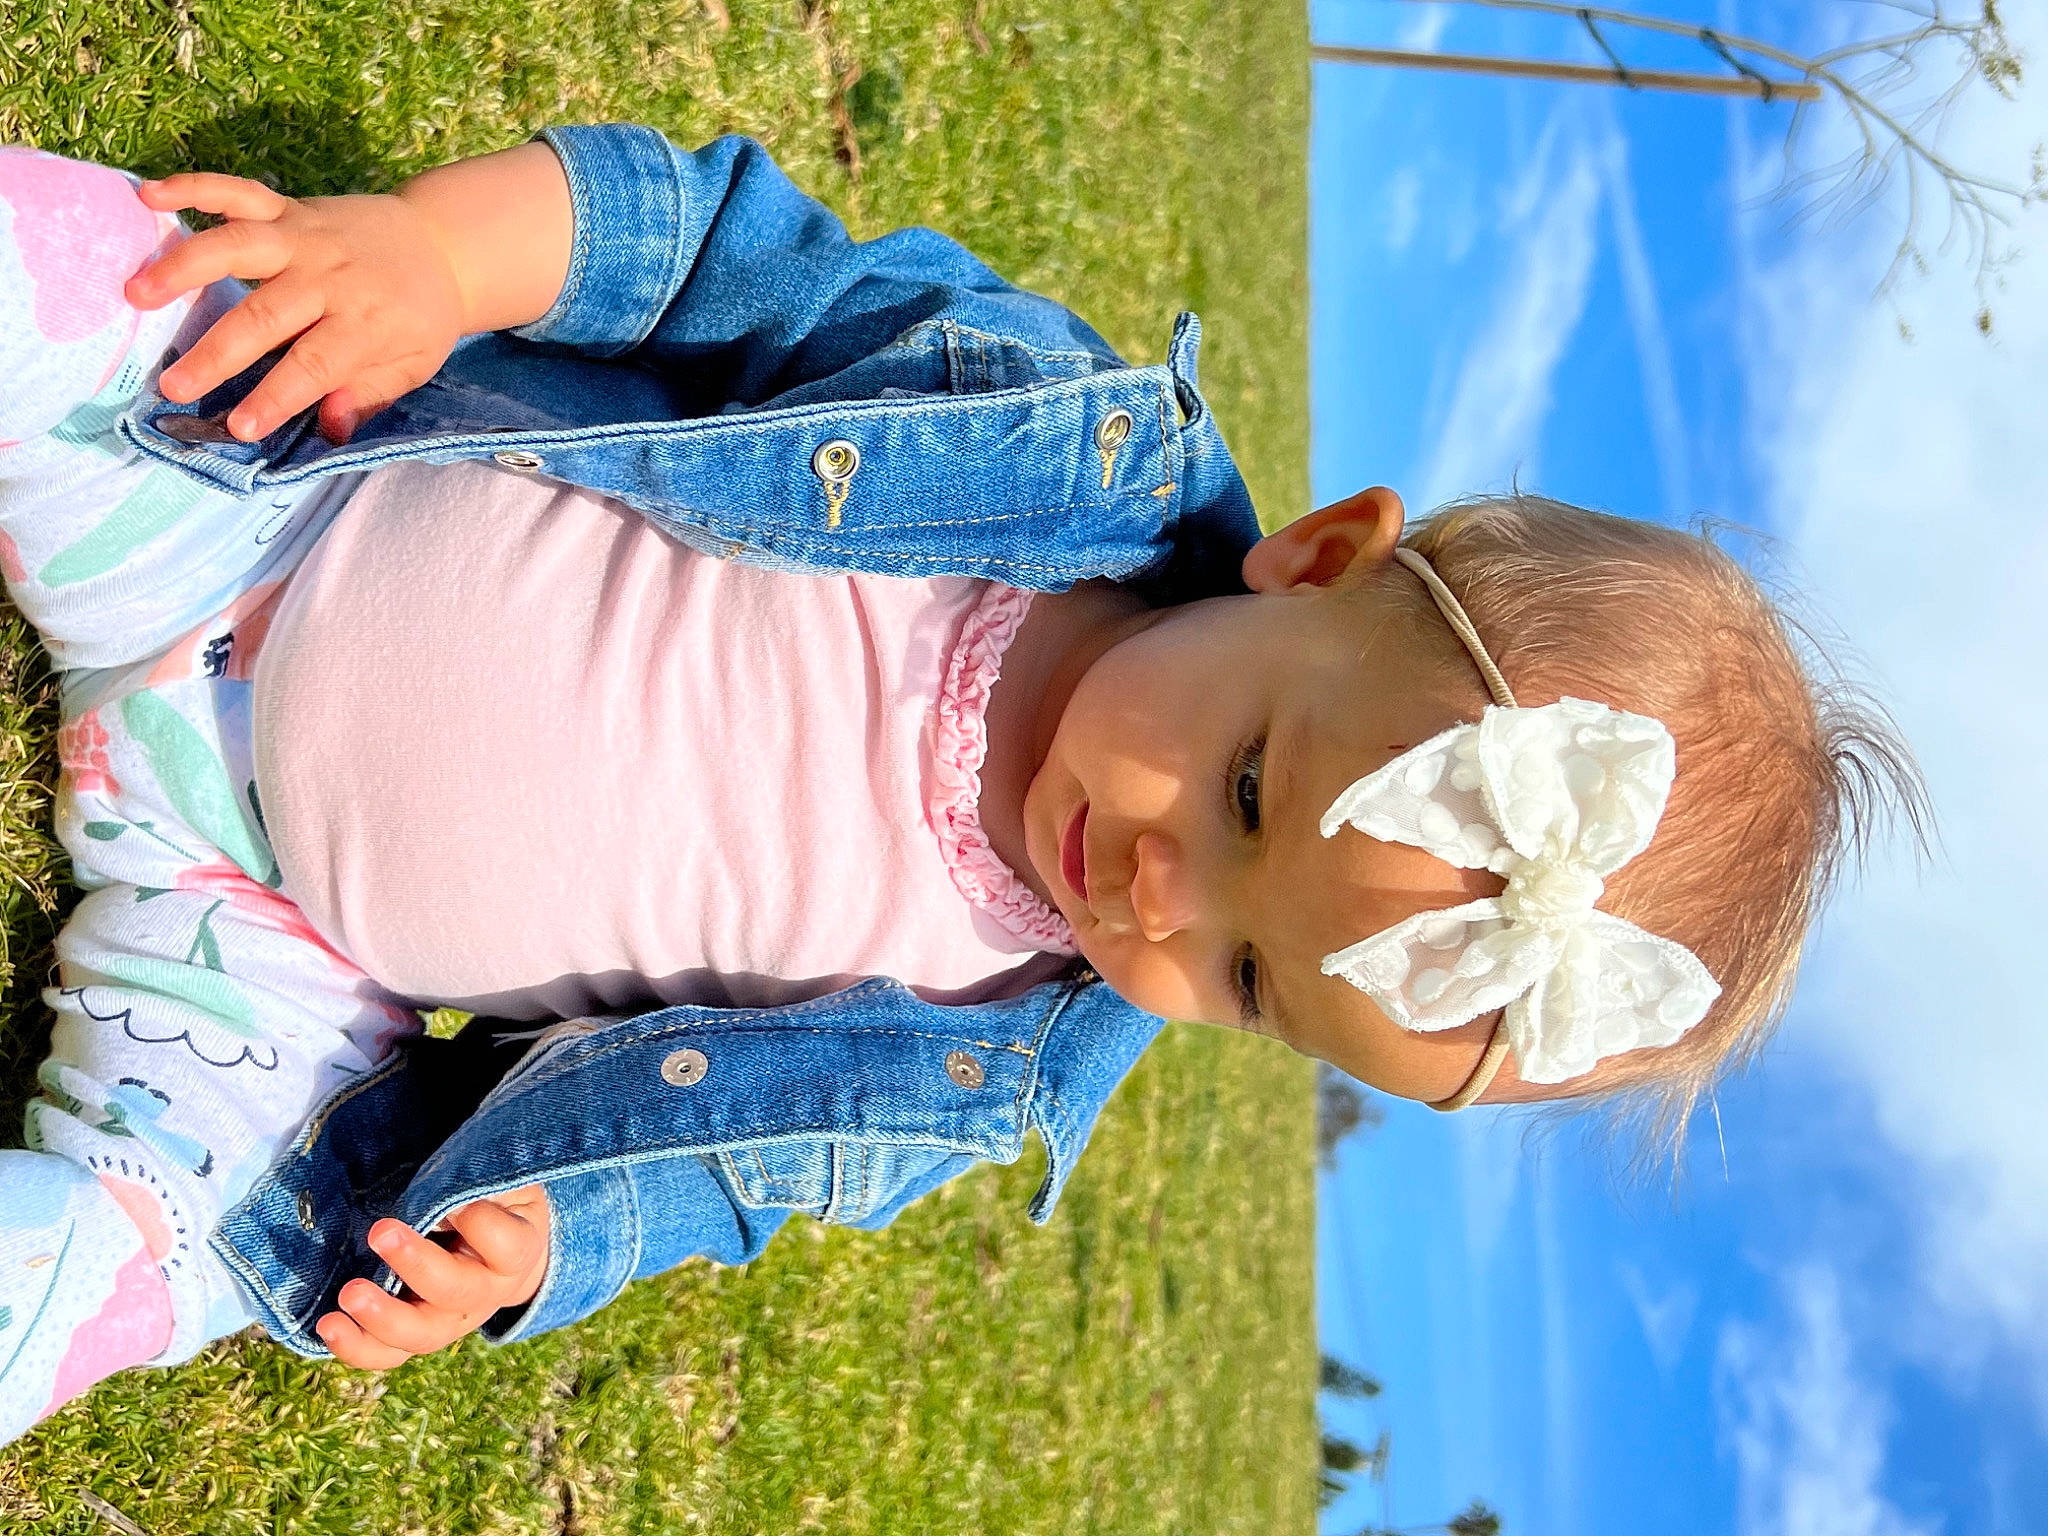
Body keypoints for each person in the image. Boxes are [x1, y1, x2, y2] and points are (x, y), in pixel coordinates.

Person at [0, 126, 1918, 1445]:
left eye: (1250, 981)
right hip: (256, 501)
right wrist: (434, 253)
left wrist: (544, 1249)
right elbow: (720, 252)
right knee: (77, 280)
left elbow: (730, 1176)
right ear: (1316, 563)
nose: (1163, 902)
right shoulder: (1037, 451)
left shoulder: (988, 1053)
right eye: (1248, 800)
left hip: (268, 969)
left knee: (117, 1270)